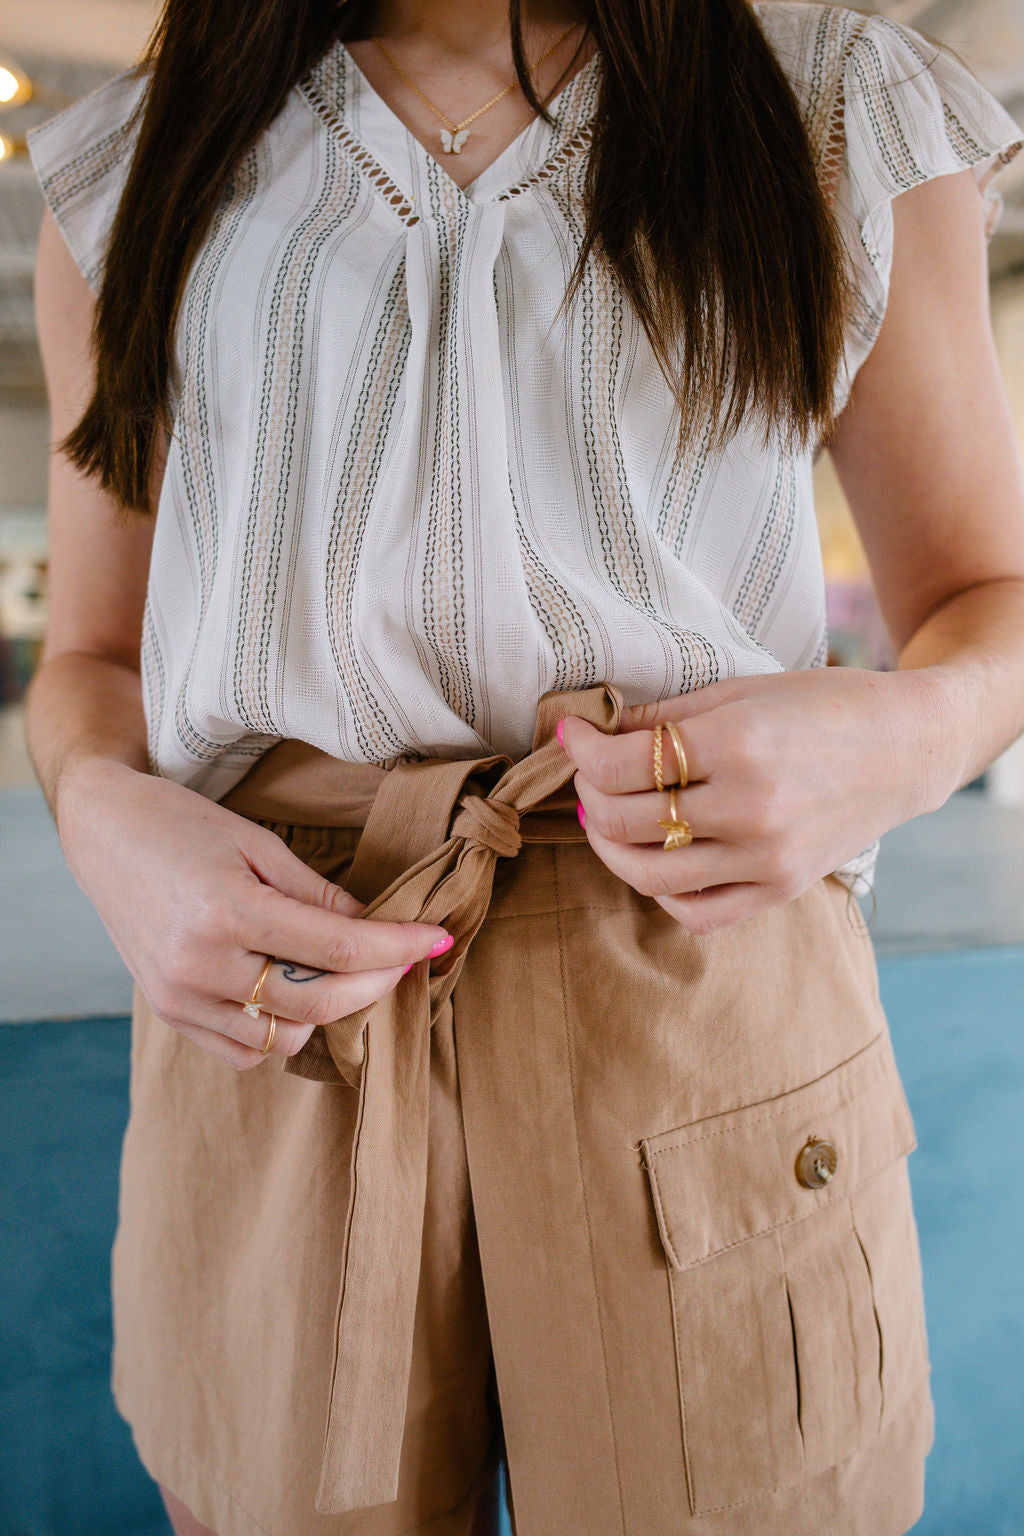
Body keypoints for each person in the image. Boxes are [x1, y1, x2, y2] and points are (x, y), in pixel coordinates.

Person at [24, 0, 1024, 1532]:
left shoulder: (834, 111)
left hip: (691, 961)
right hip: (288, 986)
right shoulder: (132, 168)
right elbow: (91, 657)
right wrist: (103, 819)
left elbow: (989, 595)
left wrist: (910, 735)